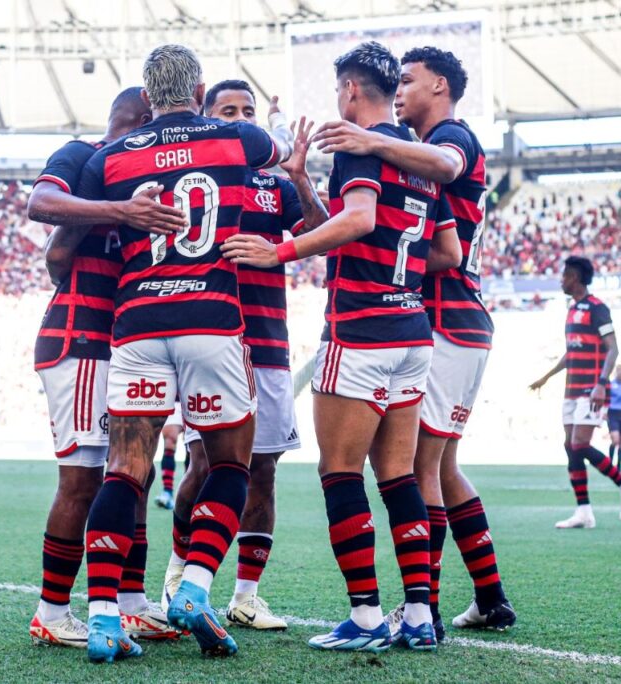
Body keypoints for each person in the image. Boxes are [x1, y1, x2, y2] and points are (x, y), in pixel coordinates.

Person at [224, 41, 460, 653]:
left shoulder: (360, 147)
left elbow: (355, 223)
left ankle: (364, 615)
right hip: (414, 332)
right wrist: (301, 179)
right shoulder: (418, 159)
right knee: (399, 477)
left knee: (340, 474)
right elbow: (441, 251)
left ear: (352, 90)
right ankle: (416, 614)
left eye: (338, 91)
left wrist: (278, 250)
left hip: (360, 331)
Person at [76, 44, 294, 662]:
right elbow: (283, 156)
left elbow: (85, 218)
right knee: (230, 465)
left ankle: (102, 619)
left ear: (147, 96)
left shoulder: (113, 157)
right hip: (212, 321)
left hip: (138, 322)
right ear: (199, 90)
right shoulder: (239, 138)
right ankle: (196, 586)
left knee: (125, 470)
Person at [312, 46, 516, 634]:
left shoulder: (449, 137)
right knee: (441, 467)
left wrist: (371, 140)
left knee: (412, 471)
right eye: (394, 82)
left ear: (442, 88)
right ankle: (486, 595)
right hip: (455, 321)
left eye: (410, 81)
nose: (400, 91)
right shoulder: (413, 158)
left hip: (438, 320)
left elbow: (448, 168)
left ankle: (413, 608)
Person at [160, 79, 327, 632]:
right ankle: (179, 571)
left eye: (247, 111)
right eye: (227, 111)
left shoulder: (269, 185)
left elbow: (324, 234)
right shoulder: (190, 176)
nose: (240, 118)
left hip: (268, 343)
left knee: (264, 472)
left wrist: (299, 176)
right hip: (207, 340)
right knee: (204, 464)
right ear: (207, 119)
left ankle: (246, 596)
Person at [26, 87, 186, 648]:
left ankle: (132, 601)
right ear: (147, 119)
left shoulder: (147, 177)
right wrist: (121, 210)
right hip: (82, 339)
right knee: (83, 480)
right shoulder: (83, 155)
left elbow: (58, 256)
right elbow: (42, 206)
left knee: (132, 473)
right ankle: (51, 611)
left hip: (127, 345)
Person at [530, 256, 621, 529]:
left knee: (579, 444)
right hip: (571, 389)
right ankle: (584, 512)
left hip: (591, 388)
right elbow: (573, 352)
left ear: (577, 277)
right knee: (570, 447)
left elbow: (613, 348)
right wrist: (546, 377)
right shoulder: (572, 309)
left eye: (565, 275)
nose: (561, 280)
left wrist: (602, 383)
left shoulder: (597, 308)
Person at [155, 405, 184, 510]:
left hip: (196, 397)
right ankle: (167, 492)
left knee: (195, 448)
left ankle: (192, 491)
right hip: (175, 402)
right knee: (170, 438)